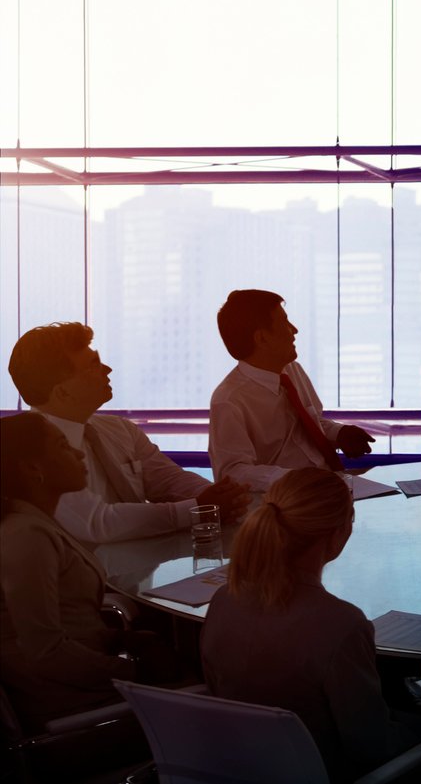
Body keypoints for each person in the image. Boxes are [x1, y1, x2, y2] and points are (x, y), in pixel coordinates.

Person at [202, 468, 421, 781]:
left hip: (244, 766)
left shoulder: (223, 600)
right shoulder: (341, 624)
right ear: (339, 533)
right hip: (328, 770)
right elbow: (371, 746)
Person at [7, 322, 250, 543]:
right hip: (78, 576)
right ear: (63, 392)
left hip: (145, 569)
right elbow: (98, 524)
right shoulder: (30, 450)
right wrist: (197, 509)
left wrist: (225, 498)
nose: (108, 369)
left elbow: (168, 480)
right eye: (93, 365)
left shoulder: (119, 429)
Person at [0, 412, 148, 730]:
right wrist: (136, 672)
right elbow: (46, 652)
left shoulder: (38, 522)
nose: (79, 454)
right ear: (33, 469)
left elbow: (70, 621)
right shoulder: (26, 535)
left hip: (84, 688)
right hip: (72, 712)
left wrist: (118, 639)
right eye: (63, 446)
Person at [209, 290, 375, 490]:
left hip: (328, 486)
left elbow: (311, 424)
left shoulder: (292, 371)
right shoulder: (229, 400)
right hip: (284, 500)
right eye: (284, 322)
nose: (294, 330)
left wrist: (339, 433)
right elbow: (233, 472)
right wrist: (297, 479)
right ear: (262, 338)